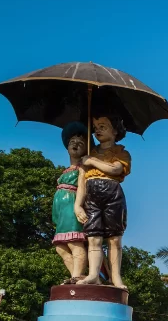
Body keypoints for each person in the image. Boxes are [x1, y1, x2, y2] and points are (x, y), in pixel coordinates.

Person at [76, 115, 130, 288]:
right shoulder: (89, 153)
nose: (97, 130)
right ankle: (93, 273)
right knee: (94, 237)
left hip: (112, 193)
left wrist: (92, 161)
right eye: (95, 127)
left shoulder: (120, 152)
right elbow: (82, 180)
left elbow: (115, 168)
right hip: (92, 195)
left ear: (114, 131)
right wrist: (78, 204)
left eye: (103, 126)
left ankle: (116, 277)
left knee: (114, 238)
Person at [52, 122, 89, 283]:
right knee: (61, 247)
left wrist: (78, 205)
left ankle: (77, 276)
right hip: (62, 212)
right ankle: (76, 275)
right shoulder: (66, 170)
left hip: (73, 206)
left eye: (80, 142)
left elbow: (83, 185)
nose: (76, 144)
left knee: (75, 242)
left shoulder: (83, 167)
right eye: (72, 141)